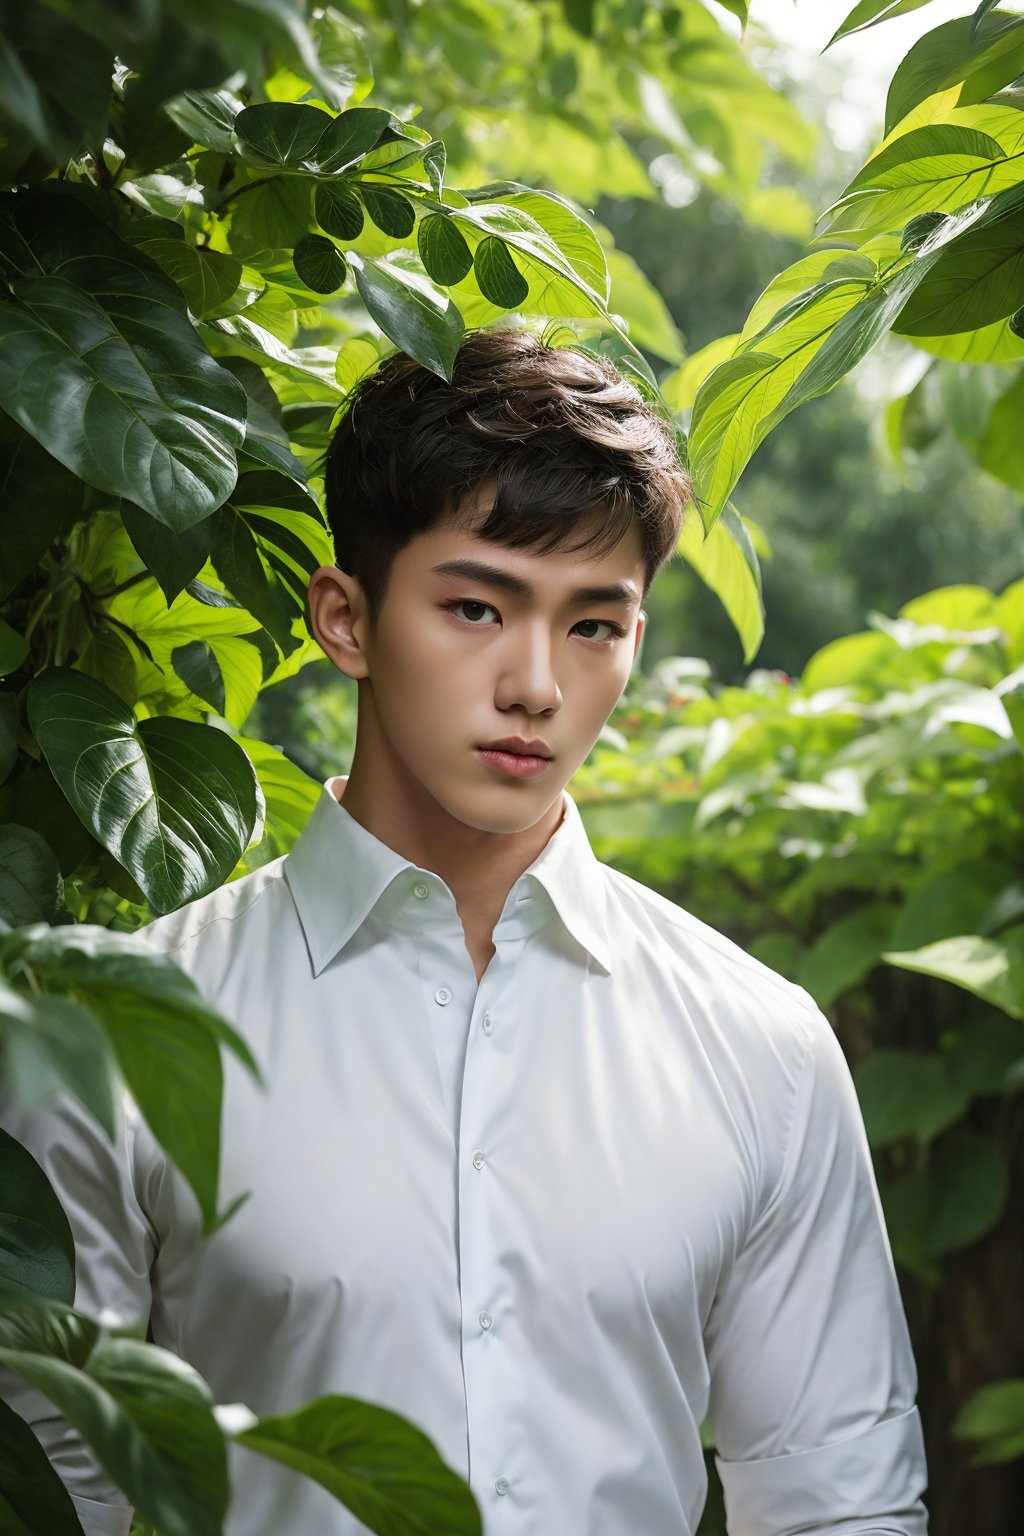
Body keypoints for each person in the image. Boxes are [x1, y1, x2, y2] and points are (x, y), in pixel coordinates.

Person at [2, 329, 928, 1535]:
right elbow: (51, 1500)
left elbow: (837, 1503)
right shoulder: (114, 1034)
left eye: (593, 625)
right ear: (345, 618)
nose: (536, 684)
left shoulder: (761, 1049)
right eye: (478, 606)